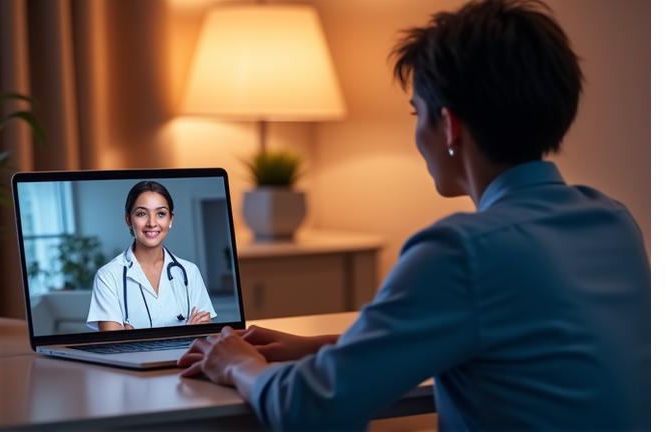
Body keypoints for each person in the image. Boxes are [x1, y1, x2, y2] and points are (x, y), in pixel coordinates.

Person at [177, 0, 651, 430]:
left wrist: (236, 363)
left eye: (415, 113)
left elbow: (308, 407)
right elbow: (513, 338)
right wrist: (324, 346)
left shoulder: (461, 251)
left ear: (448, 126)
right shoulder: (613, 222)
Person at [87, 180, 216, 330]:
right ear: (128, 219)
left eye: (161, 214)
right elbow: (112, 340)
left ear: (170, 219)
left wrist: (133, 338)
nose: (152, 223)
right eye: (141, 214)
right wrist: (186, 331)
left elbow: (205, 333)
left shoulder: (189, 272)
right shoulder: (108, 276)